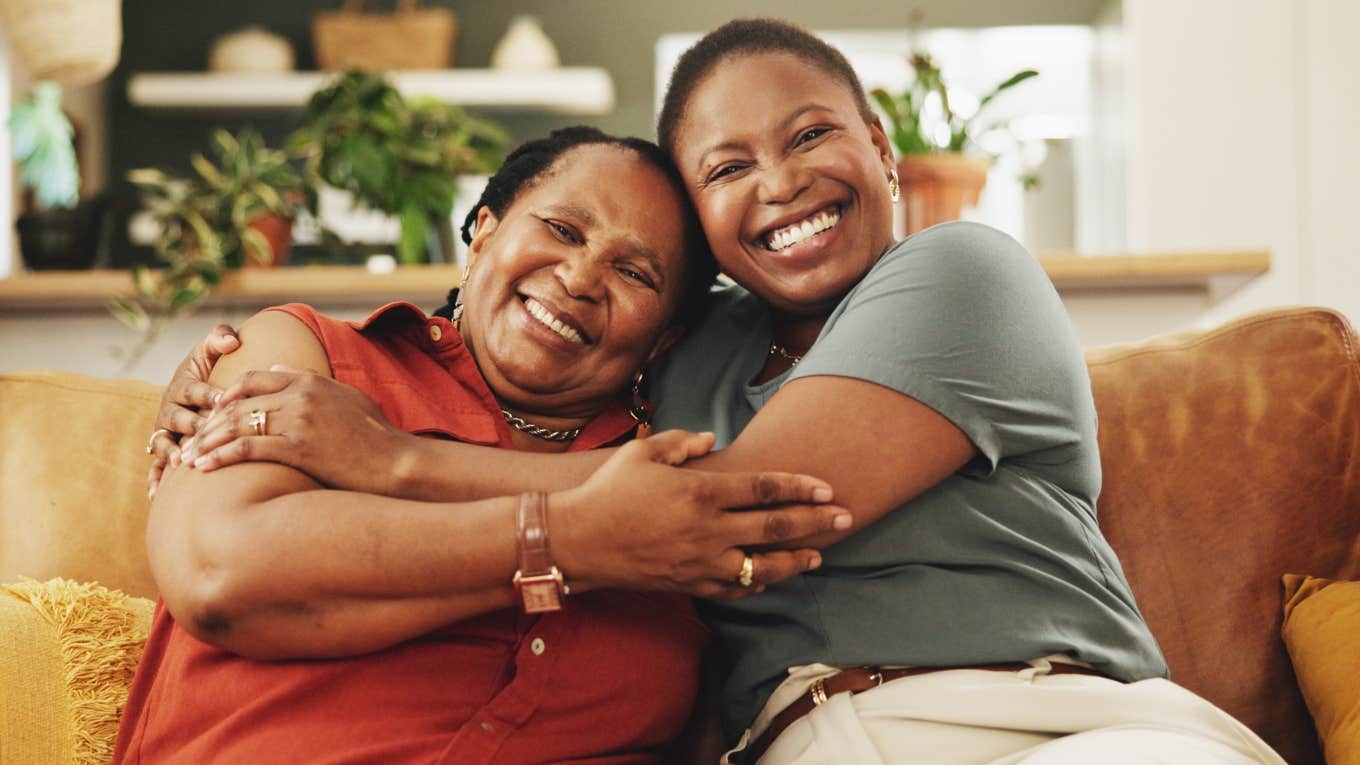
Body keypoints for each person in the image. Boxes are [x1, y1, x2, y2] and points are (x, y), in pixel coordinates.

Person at [150, 19, 1287, 765]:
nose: (781, 183)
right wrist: (214, 376)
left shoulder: (958, 272)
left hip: (1051, 721)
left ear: (882, 149)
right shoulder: (681, 358)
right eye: (728, 168)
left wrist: (389, 458)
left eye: (809, 137)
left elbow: (729, 510)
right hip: (804, 743)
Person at [114, 127, 855, 765]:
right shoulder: (309, 357)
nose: (579, 276)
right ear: (483, 230)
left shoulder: (675, 478)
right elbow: (219, 571)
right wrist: (576, 539)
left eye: (633, 272)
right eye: (563, 229)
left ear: (662, 338)